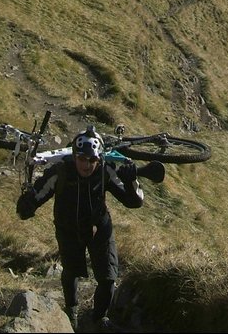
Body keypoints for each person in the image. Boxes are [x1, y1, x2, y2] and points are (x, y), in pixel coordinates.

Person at [16, 126, 144, 331]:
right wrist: (27, 203)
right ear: (74, 156)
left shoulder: (105, 170)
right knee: (71, 272)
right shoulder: (61, 172)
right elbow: (36, 197)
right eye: (82, 159)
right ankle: (71, 311)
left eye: (92, 160)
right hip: (68, 230)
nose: (86, 165)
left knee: (108, 277)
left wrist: (131, 182)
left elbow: (134, 202)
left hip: (99, 229)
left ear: (99, 160)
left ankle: (99, 318)